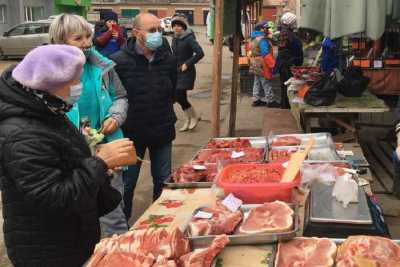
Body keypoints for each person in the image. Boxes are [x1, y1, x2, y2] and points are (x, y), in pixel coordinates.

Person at [0, 45, 135, 267]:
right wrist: (100, 163)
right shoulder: (23, 136)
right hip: (47, 251)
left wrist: (97, 166)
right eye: (74, 82)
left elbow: (61, 162)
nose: (78, 88)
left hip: (70, 238)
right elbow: (54, 197)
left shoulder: (46, 108)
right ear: (50, 86)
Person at [49, 13, 129, 236]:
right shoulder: (47, 75)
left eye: (88, 36)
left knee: (113, 215)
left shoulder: (102, 67)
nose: (86, 43)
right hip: (71, 157)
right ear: (59, 42)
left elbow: (121, 97)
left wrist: (115, 116)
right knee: (79, 221)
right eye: (78, 38)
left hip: (108, 150)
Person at [110, 13, 177, 220]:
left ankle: (158, 224)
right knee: (127, 185)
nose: (158, 34)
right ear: (136, 32)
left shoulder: (168, 58)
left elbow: (172, 89)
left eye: (159, 29)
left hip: (162, 130)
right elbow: (116, 97)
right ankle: (124, 227)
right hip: (131, 135)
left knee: (163, 181)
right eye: (152, 30)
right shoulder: (118, 62)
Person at [171, 13, 204, 132]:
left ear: (184, 27)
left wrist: (187, 63)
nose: (176, 28)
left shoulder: (189, 38)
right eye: (174, 25)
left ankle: (194, 116)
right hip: (176, 71)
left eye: (179, 25)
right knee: (180, 97)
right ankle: (188, 119)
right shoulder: (175, 38)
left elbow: (200, 53)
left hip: (187, 72)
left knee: (179, 95)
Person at [276, 12, 304, 109]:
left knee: (284, 84)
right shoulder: (290, 35)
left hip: (283, 63)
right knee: (289, 85)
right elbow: (296, 49)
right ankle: (288, 105)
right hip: (288, 64)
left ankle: (284, 104)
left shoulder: (283, 33)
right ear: (291, 23)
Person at [249, 21, 279, 107]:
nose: (267, 30)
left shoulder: (254, 37)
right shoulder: (262, 39)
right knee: (266, 81)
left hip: (254, 61)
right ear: (261, 29)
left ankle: (256, 99)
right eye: (266, 28)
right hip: (262, 63)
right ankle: (270, 100)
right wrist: (273, 65)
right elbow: (266, 54)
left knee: (257, 81)